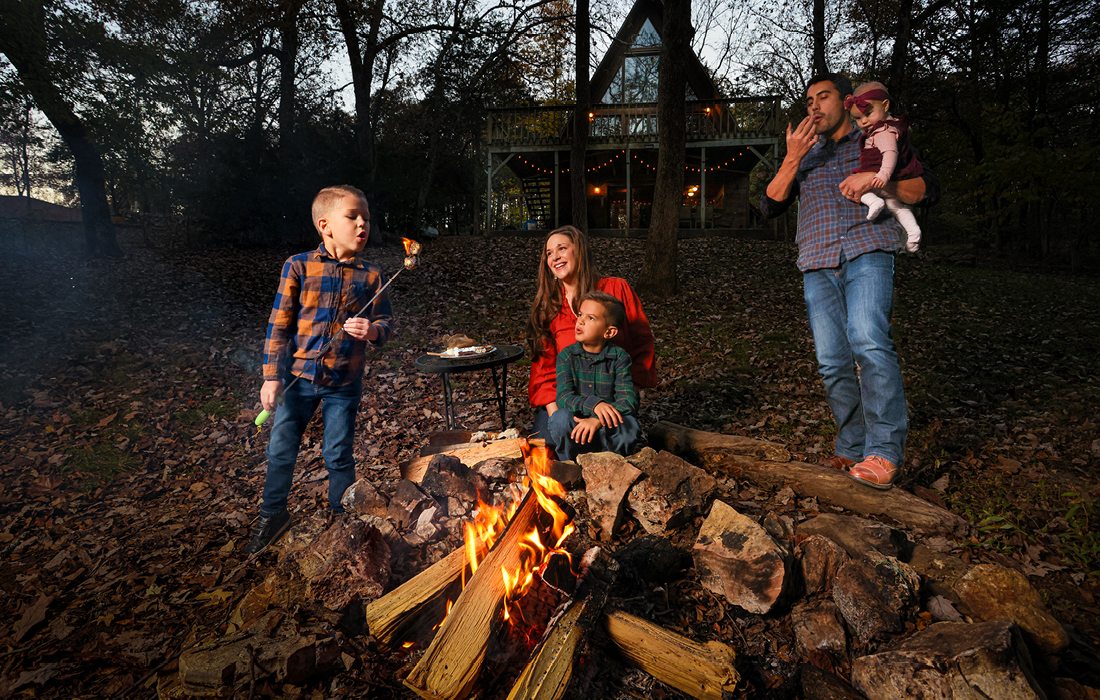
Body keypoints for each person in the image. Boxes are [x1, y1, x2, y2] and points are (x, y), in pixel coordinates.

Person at [760, 73, 933, 490]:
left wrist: (876, 181)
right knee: (832, 361)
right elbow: (769, 206)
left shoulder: (876, 137)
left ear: (847, 100)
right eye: (808, 101)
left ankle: (884, 452)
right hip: (817, 261)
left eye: (823, 97)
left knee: (869, 339)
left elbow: (924, 189)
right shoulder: (804, 153)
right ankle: (853, 446)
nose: (814, 107)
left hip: (867, 249)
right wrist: (792, 157)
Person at [247, 185, 394, 553]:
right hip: (299, 380)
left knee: (338, 453)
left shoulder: (371, 275)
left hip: (344, 381)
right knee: (281, 449)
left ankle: (342, 521)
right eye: (353, 217)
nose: (363, 224)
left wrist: (373, 330)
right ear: (325, 225)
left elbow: (386, 324)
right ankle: (273, 515)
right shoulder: (298, 266)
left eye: (366, 218)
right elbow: (279, 325)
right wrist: (270, 376)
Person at [526, 225, 656, 439]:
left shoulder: (616, 289)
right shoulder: (549, 307)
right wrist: (558, 418)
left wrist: (625, 396)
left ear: (579, 251)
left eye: (562, 249)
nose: (555, 257)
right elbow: (543, 368)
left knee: (619, 442)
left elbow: (642, 343)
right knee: (549, 448)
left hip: (611, 398)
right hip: (567, 399)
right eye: (549, 253)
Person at [549, 291, 645, 460]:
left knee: (630, 424)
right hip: (577, 426)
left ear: (609, 332)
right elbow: (564, 397)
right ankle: (570, 465)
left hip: (606, 428)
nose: (581, 320)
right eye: (580, 314)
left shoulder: (619, 357)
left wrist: (597, 419)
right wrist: (594, 405)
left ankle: (611, 464)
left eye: (591, 318)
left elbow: (628, 400)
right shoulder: (567, 356)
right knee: (559, 419)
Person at [844, 80, 924, 253]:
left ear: (886, 105)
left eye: (868, 113)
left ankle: (874, 202)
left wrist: (882, 175)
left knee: (852, 187)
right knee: (897, 207)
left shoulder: (883, 131)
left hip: (881, 175)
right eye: (858, 118)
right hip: (889, 177)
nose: (864, 121)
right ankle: (913, 232)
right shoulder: (890, 127)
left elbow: (890, 153)